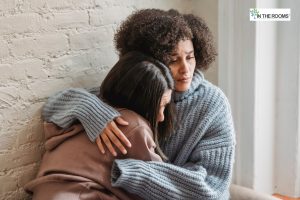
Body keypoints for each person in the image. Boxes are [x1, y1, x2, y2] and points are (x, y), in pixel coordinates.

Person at [42, 8, 236, 200]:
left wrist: (133, 172)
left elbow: (213, 188)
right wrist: (91, 111)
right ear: (151, 60)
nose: (186, 69)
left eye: (190, 57)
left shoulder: (213, 104)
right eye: (173, 60)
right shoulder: (139, 88)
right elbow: (52, 107)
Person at [25, 51, 174, 200]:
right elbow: (159, 185)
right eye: (160, 106)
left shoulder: (89, 106)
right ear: (141, 101)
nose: (161, 117)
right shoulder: (134, 125)